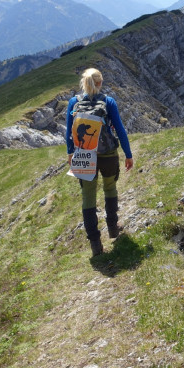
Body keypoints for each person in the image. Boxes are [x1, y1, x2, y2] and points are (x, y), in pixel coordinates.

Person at [65, 68, 133, 256]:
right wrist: (128, 154)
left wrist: (71, 154)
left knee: (88, 197)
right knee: (110, 188)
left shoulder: (73, 102)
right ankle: (112, 227)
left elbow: (69, 133)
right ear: (100, 83)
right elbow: (119, 129)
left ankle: (95, 244)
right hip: (108, 154)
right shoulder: (108, 102)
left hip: (83, 155)